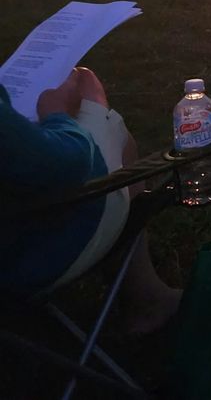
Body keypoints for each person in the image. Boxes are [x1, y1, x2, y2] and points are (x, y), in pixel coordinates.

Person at [0, 68, 181, 332]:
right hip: (28, 255)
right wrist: (57, 113)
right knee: (90, 89)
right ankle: (146, 299)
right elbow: (68, 164)